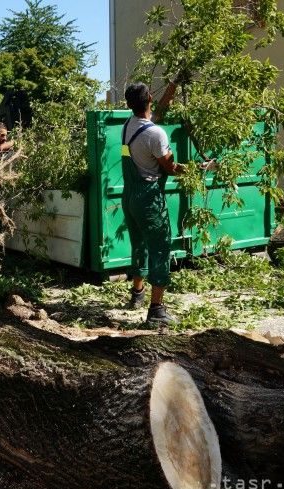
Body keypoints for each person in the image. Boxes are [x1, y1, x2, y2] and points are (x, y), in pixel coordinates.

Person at [121, 81, 184, 325]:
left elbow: (152, 118)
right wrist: (193, 170)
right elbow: (170, 167)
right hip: (149, 198)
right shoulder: (156, 134)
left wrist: (170, 89)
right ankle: (156, 310)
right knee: (160, 247)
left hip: (130, 196)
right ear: (149, 99)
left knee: (139, 245)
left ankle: (137, 294)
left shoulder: (128, 126)